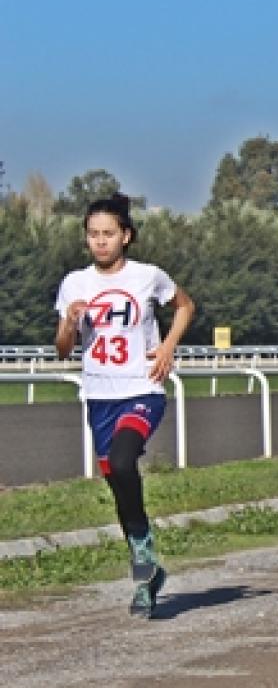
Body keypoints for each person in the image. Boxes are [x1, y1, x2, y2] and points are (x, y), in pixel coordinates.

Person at [54, 194, 196, 618]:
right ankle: (145, 564)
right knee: (117, 478)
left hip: (141, 388)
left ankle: (142, 562)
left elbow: (185, 306)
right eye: (93, 234)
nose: (100, 242)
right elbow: (63, 350)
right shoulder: (74, 284)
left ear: (126, 236)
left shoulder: (147, 277)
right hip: (99, 395)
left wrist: (168, 346)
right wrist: (69, 321)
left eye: (108, 234)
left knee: (122, 458)